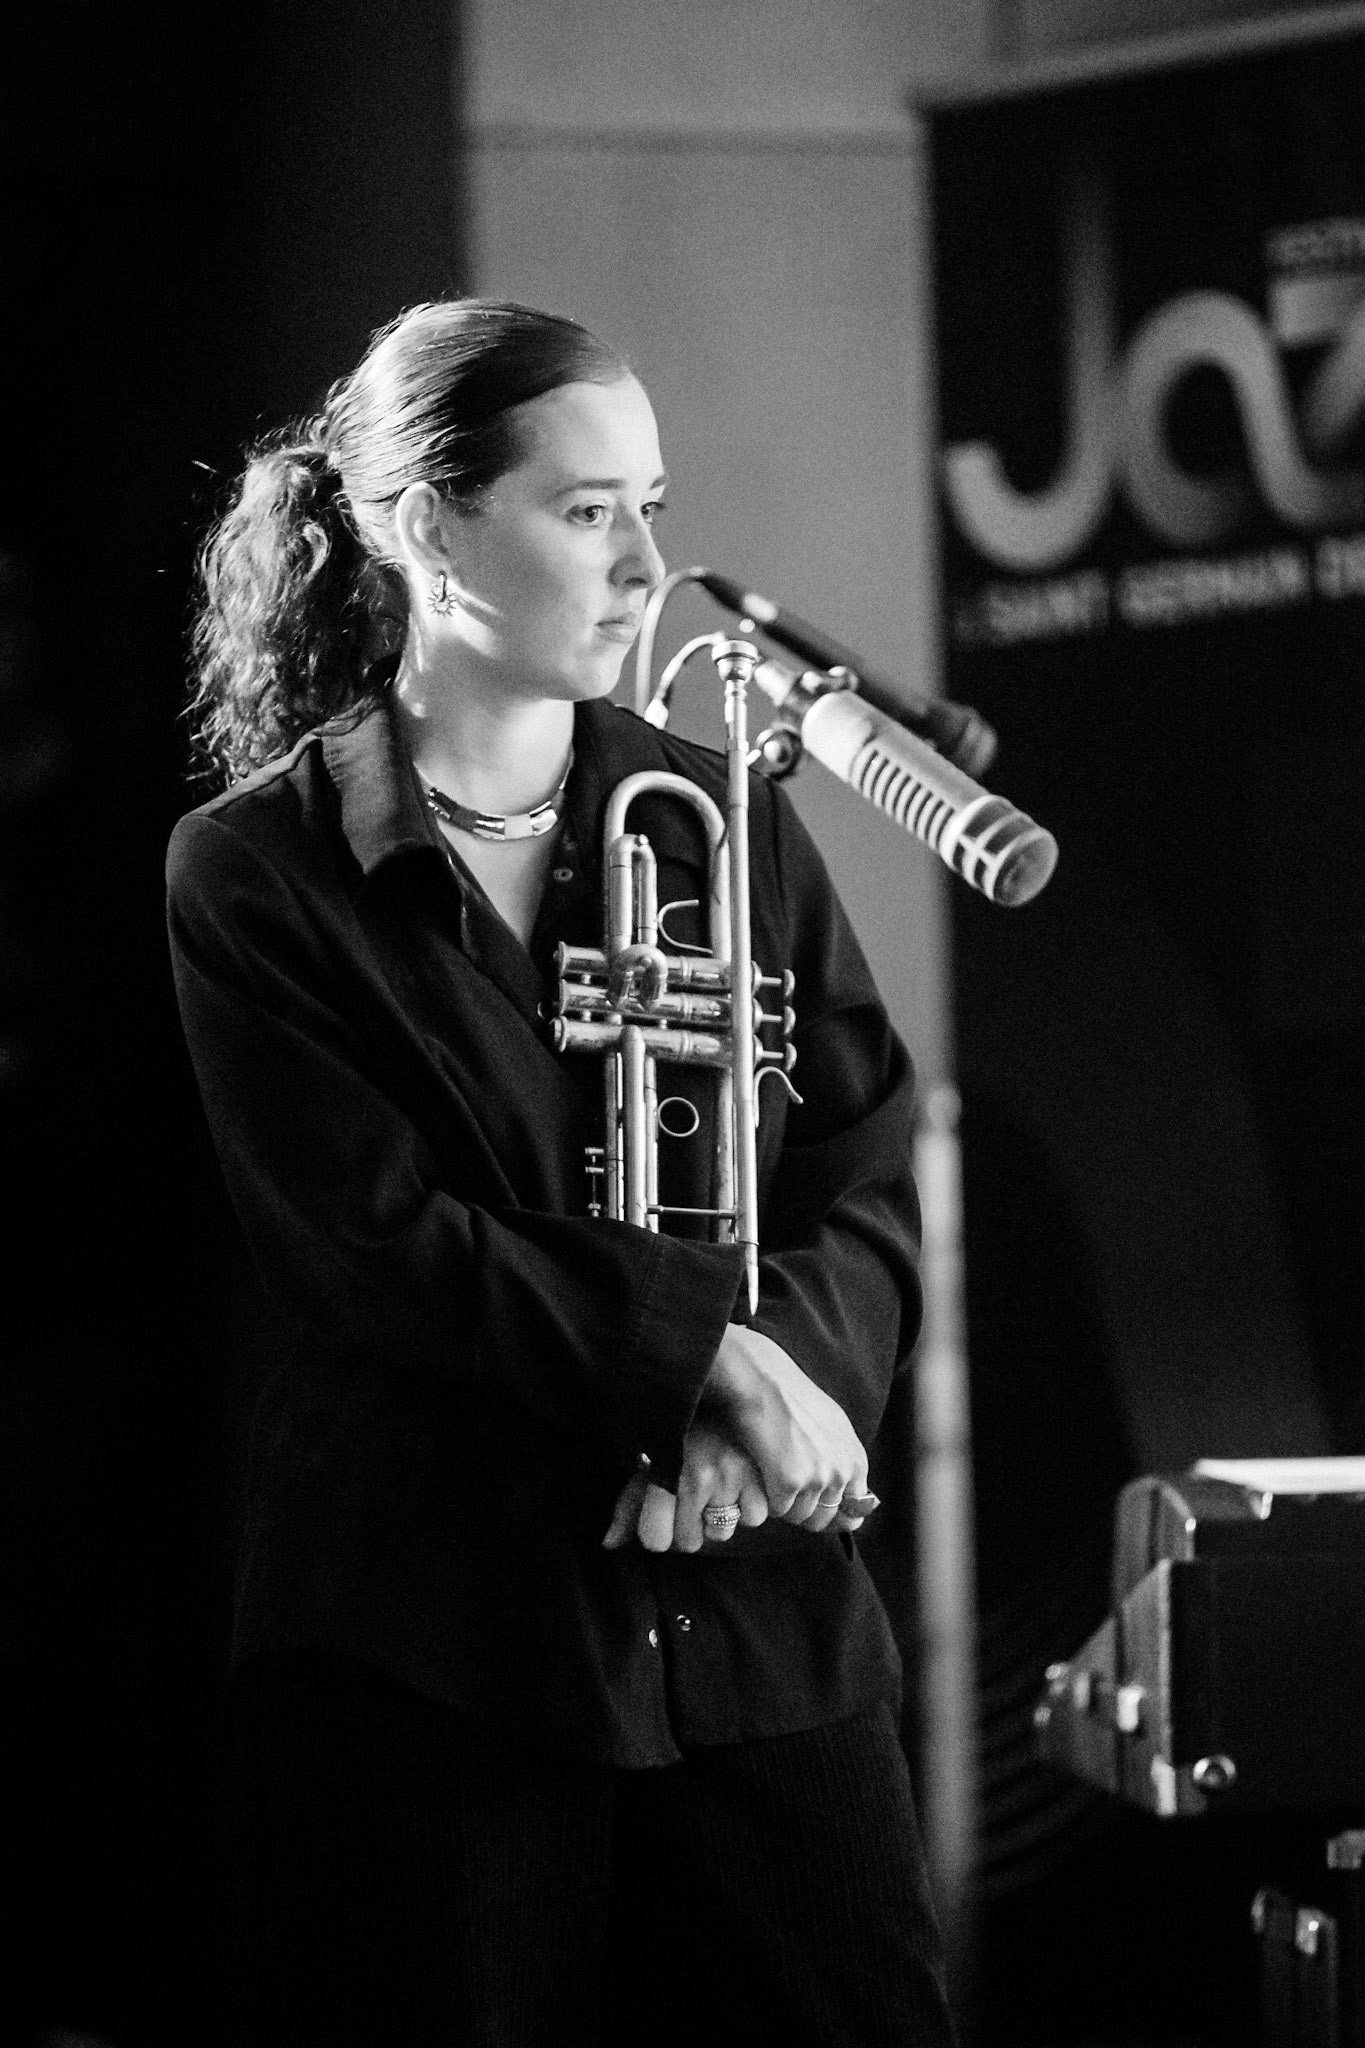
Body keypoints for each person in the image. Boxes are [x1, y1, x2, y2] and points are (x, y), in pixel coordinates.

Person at [167, 297, 954, 2047]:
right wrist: (702, 1361)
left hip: (753, 1621)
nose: (645, 565)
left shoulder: (719, 813)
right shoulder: (253, 873)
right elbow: (377, 1245)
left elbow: (860, 1162)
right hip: (442, 1648)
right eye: (585, 510)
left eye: (651, 506)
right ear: (424, 525)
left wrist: (778, 1397)